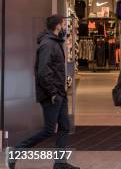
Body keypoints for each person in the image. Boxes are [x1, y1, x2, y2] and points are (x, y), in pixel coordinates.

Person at [9, 15, 79, 169]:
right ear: (58, 26)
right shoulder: (48, 44)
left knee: (64, 126)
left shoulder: (55, 42)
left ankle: (60, 163)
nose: (65, 27)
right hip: (51, 95)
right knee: (48, 130)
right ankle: (15, 152)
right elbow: (43, 72)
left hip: (59, 93)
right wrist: (53, 93)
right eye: (63, 24)